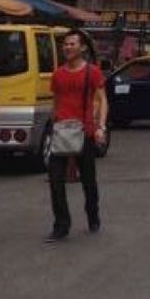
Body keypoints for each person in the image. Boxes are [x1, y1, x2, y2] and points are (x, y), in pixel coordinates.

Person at [45, 31, 108, 241]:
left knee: (88, 181)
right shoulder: (58, 74)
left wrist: (100, 127)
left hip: (84, 133)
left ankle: (93, 216)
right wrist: (53, 125)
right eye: (65, 44)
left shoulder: (92, 72)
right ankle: (61, 225)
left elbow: (102, 100)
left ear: (82, 48)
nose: (68, 47)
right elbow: (56, 102)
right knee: (55, 180)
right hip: (61, 133)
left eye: (72, 44)